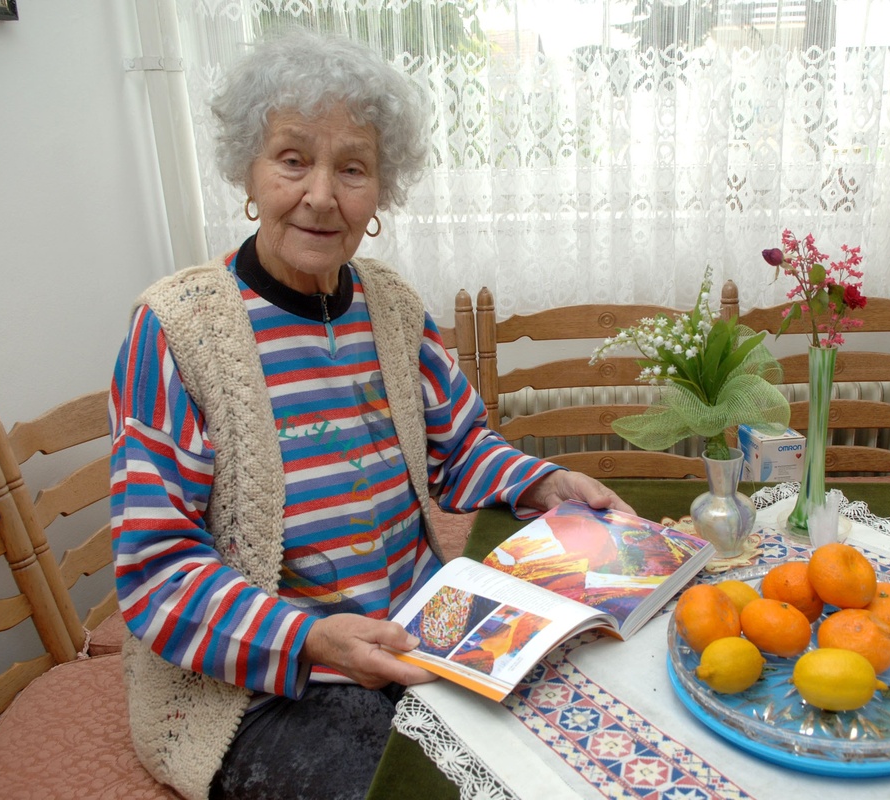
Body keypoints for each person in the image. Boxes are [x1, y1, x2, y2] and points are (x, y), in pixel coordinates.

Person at [109, 29, 631, 800]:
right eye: (293, 159)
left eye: (352, 168)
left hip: (419, 631)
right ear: (248, 170)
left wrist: (543, 484)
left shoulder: (390, 305)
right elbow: (155, 569)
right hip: (267, 684)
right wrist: (310, 637)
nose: (322, 195)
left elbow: (459, 448)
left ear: (381, 192)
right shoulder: (178, 331)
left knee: (581, 741)